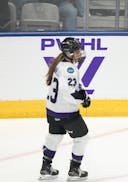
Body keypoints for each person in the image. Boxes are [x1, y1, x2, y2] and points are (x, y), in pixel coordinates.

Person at [39, 37, 91, 181]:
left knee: (54, 137)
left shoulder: (59, 64)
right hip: (66, 113)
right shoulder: (69, 68)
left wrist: (82, 95)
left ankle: (45, 167)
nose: (79, 53)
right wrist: (83, 100)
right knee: (82, 138)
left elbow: (70, 88)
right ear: (68, 53)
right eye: (76, 50)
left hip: (51, 110)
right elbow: (68, 92)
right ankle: (74, 169)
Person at [15, 0, 84, 31]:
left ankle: (70, 39)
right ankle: (18, 29)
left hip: (59, 4)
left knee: (71, 11)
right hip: (35, 2)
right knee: (23, 4)